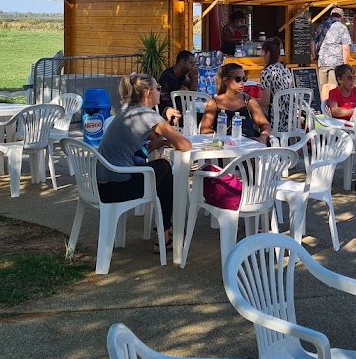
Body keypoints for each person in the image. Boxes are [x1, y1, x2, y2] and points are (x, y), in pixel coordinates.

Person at [97, 73, 190, 252]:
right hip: (119, 187)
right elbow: (185, 145)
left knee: (160, 171)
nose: (159, 92)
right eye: (158, 89)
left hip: (103, 186)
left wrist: (164, 119)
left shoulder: (126, 109)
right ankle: (164, 234)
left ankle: (165, 232)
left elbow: (154, 138)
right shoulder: (147, 115)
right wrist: (165, 130)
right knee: (164, 168)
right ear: (148, 93)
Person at [200, 62, 273, 143]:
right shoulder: (214, 103)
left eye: (244, 79)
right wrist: (220, 139)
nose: (242, 82)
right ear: (226, 80)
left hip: (247, 148)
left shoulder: (249, 101)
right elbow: (204, 129)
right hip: (224, 148)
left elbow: (265, 125)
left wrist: (262, 137)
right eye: (238, 79)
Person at [311, 7, 351, 101]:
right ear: (341, 16)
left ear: (331, 15)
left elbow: (312, 43)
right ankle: (332, 108)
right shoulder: (342, 27)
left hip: (322, 60)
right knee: (333, 86)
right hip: (336, 62)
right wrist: (345, 64)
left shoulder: (322, 25)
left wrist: (314, 58)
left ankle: (324, 108)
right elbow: (345, 47)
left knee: (324, 86)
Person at [258, 38, 294, 123]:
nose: (261, 55)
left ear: (268, 54)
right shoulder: (285, 69)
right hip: (290, 121)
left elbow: (265, 102)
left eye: (262, 52)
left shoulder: (267, 72)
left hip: (274, 122)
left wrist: (249, 100)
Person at [158, 50, 197, 116]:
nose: (192, 67)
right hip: (169, 114)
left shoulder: (179, 74)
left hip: (178, 110)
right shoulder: (169, 78)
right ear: (182, 62)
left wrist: (193, 78)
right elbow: (191, 96)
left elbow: (190, 87)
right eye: (191, 63)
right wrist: (195, 77)